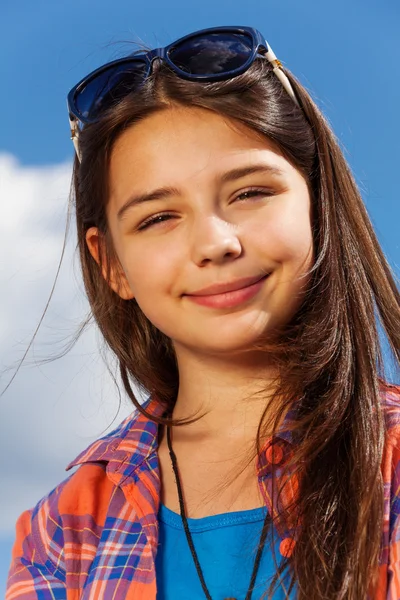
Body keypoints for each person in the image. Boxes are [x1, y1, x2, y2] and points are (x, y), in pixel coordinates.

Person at [5, 25, 400, 600]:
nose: (215, 243)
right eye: (158, 218)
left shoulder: (387, 458)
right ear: (111, 263)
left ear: (317, 202)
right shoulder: (62, 530)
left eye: (250, 193)